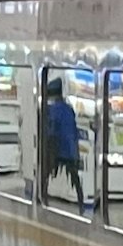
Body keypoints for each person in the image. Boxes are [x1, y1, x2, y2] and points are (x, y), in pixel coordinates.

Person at [37, 70, 84, 206]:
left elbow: (51, 131)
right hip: (71, 150)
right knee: (75, 179)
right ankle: (81, 203)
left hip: (58, 150)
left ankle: (41, 197)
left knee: (45, 174)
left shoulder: (52, 110)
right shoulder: (69, 109)